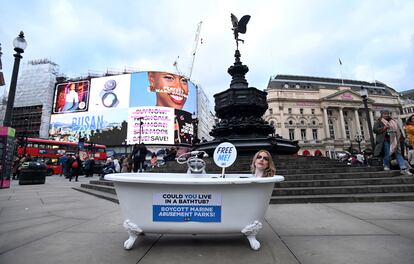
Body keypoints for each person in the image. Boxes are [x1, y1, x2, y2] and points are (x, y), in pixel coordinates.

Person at [373, 110, 412, 175]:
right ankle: (386, 165)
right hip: (385, 140)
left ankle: (403, 168)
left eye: (387, 114)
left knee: (398, 153)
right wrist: (384, 128)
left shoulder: (393, 121)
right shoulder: (378, 122)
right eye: (384, 114)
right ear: (382, 115)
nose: (386, 115)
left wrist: (401, 138)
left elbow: (398, 130)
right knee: (387, 153)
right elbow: (375, 130)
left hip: (395, 140)